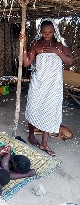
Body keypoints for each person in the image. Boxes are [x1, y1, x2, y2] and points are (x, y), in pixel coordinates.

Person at [19, 18, 73, 156]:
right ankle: (31, 136)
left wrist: (57, 51)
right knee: (33, 108)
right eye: (44, 32)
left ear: (54, 31)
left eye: (49, 32)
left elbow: (69, 62)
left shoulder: (60, 45)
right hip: (38, 84)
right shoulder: (36, 44)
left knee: (49, 112)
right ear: (41, 32)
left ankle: (44, 143)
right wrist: (24, 44)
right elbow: (26, 63)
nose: (47, 35)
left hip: (53, 86)